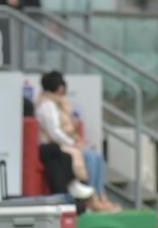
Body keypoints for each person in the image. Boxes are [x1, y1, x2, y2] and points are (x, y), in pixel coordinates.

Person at [36, 71, 119, 212]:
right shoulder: (47, 105)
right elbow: (54, 132)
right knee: (88, 157)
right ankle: (91, 200)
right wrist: (71, 143)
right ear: (59, 87)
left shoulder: (60, 103)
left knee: (96, 156)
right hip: (55, 145)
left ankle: (99, 196)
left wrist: (74, 141)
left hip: (65, 143)